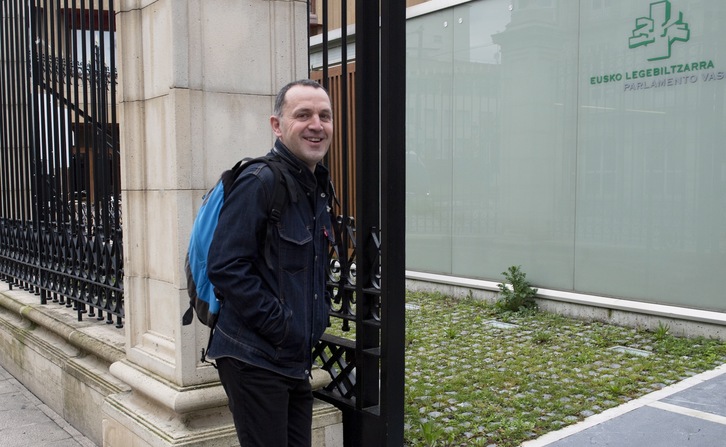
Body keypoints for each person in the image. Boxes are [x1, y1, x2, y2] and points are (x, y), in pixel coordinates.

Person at [206, 79, 335, 447]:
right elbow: (226, 266)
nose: (316, 124)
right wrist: (282, 325)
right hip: (254, 358)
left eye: (324, 116)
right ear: (277, 125)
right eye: (304, 115)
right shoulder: (259, 181)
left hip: (292, 359)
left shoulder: (314, 186)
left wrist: (315, 316)